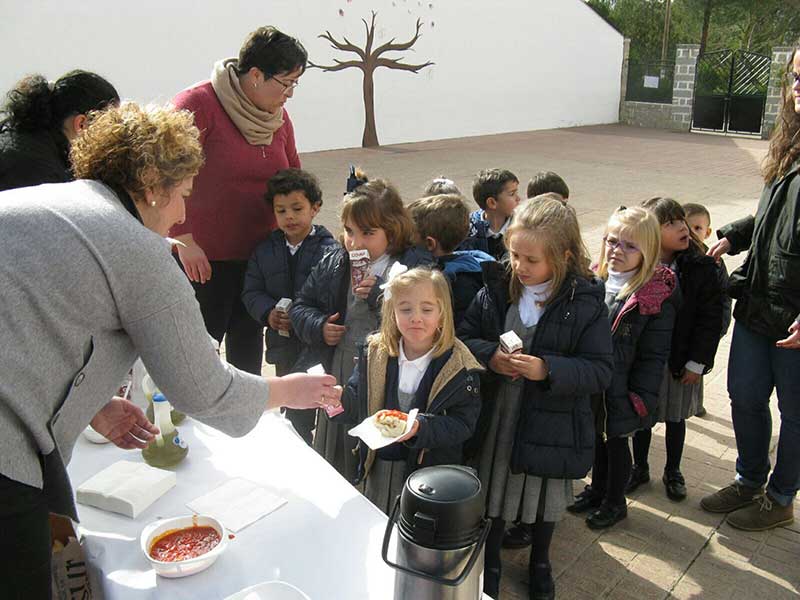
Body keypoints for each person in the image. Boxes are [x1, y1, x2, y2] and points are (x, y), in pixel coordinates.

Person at [0, 103, 341, 600]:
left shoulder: (45, 202)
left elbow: (31, 322)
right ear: (152, 184)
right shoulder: (135, 247)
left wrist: (89, 401)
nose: (183, 213)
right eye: (182, 194)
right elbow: (203, 389)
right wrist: (286, 390)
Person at [458, 198, 613, 600]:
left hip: (552, 419)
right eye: (514, 255)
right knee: (493, 490)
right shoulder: (496, 287)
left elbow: (600, 369)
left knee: (542, 497)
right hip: (498, 415)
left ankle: (540, 560)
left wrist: (548, 370)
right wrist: (489, 355)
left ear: (562, 256)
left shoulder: (585, 303)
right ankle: (489, 560)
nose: (520, 267)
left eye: (532, 259)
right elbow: (465, 335)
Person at [699, 49, 800, 531]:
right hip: (760, 303)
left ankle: (781, 497)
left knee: (795, 413)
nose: (798, 86)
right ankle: (750, 479)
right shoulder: (791, 147)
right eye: (796, 76)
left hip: (797, 319)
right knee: (743, 393)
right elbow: (772, 221)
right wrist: (734, 235)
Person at [171, 26, 307, 375]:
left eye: (296, 84)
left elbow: (294, 175)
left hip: (259, 261)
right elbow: (162, 176)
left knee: (247, 359)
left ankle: (245, 429)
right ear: (256, 75)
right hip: (203, 262)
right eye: (286, 83)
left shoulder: (278, 117)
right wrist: (182, 238)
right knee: (197, 360)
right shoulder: (197, 105)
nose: (290, 94)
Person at [290, 176, 432, 481]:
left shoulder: (412, 268)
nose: (355, 243)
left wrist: (381, 295)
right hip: (340, 366)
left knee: (371, 443)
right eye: (349, 232)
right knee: (337, 440)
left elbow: (423, 325)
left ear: (392, 232)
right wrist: (319, 326)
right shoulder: (335, 260)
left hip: (383, 374)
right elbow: (301, 304)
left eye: (368, 233)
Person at [333, 268, 482, 513]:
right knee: (378, 520)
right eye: (405, 309)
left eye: (426, 309)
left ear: (442, 314)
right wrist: (335, 399)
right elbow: (357, 401)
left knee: (412, 532)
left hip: (428, 473)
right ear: (391, 313)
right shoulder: (376, 352)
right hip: (380, 463)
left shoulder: (458, 366)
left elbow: (463, 424)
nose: (416, 318)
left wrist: (420, 428)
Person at [568, 207, 677, 530]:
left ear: (648, 252)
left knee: (616, 444)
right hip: (594, 381)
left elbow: (653, 354)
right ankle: (597, 489)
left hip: (623, 387)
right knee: (598, 440)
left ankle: (615, 501)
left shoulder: (653, 296)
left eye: (630, 246)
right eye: (613, 241)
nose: (618, 251)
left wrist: (640, 396)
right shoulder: (596, 279)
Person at [628, 198, 725, 502]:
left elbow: (711, 319)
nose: (682, 227)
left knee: (675, 418)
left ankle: (673, 470)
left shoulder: (701, 267)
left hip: (679, 360)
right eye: (670, 223)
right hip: (645, 358)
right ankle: (639, 466)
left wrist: (698, 362)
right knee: (642, 415)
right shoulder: (638, 263)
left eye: (681, 220)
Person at [242, 168, 338, 444]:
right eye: (281, 210)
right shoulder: (265, 250)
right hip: (282, 345)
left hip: (316, 345)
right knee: (290, 405)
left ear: (315, 208)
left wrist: (317, 324)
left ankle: (325, 451)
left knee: (322, 402)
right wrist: (268, 313)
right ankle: (296, 447)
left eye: (297, 208)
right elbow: (251, 291)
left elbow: (331, 297)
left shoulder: (329, 250)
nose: (290, 217)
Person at [0, 70, 118, 191]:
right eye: (109, 129)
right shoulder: (41, 171)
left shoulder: (24, 141)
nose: (112, 141)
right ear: (81, 125)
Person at [408, 193, 495, 325]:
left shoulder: (458, 283)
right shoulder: (465, 265)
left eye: (410, 240)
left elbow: (459, 329)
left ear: (430, 243)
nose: (407, 244)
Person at [682, 201, 732, 417]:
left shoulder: (713, 261)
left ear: (708, 232)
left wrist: (720, 329)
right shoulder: (680, 257)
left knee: (697, 366)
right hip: (686, 328)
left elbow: (723, 299)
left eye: (698, 228)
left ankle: (695, 404)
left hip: (704, 329)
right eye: (687, 228)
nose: (692, 234)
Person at [460, 168, 521, 260]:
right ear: (492, 203)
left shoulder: (521, 227)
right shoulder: (468, 230)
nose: (518, 198)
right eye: (512, 194)